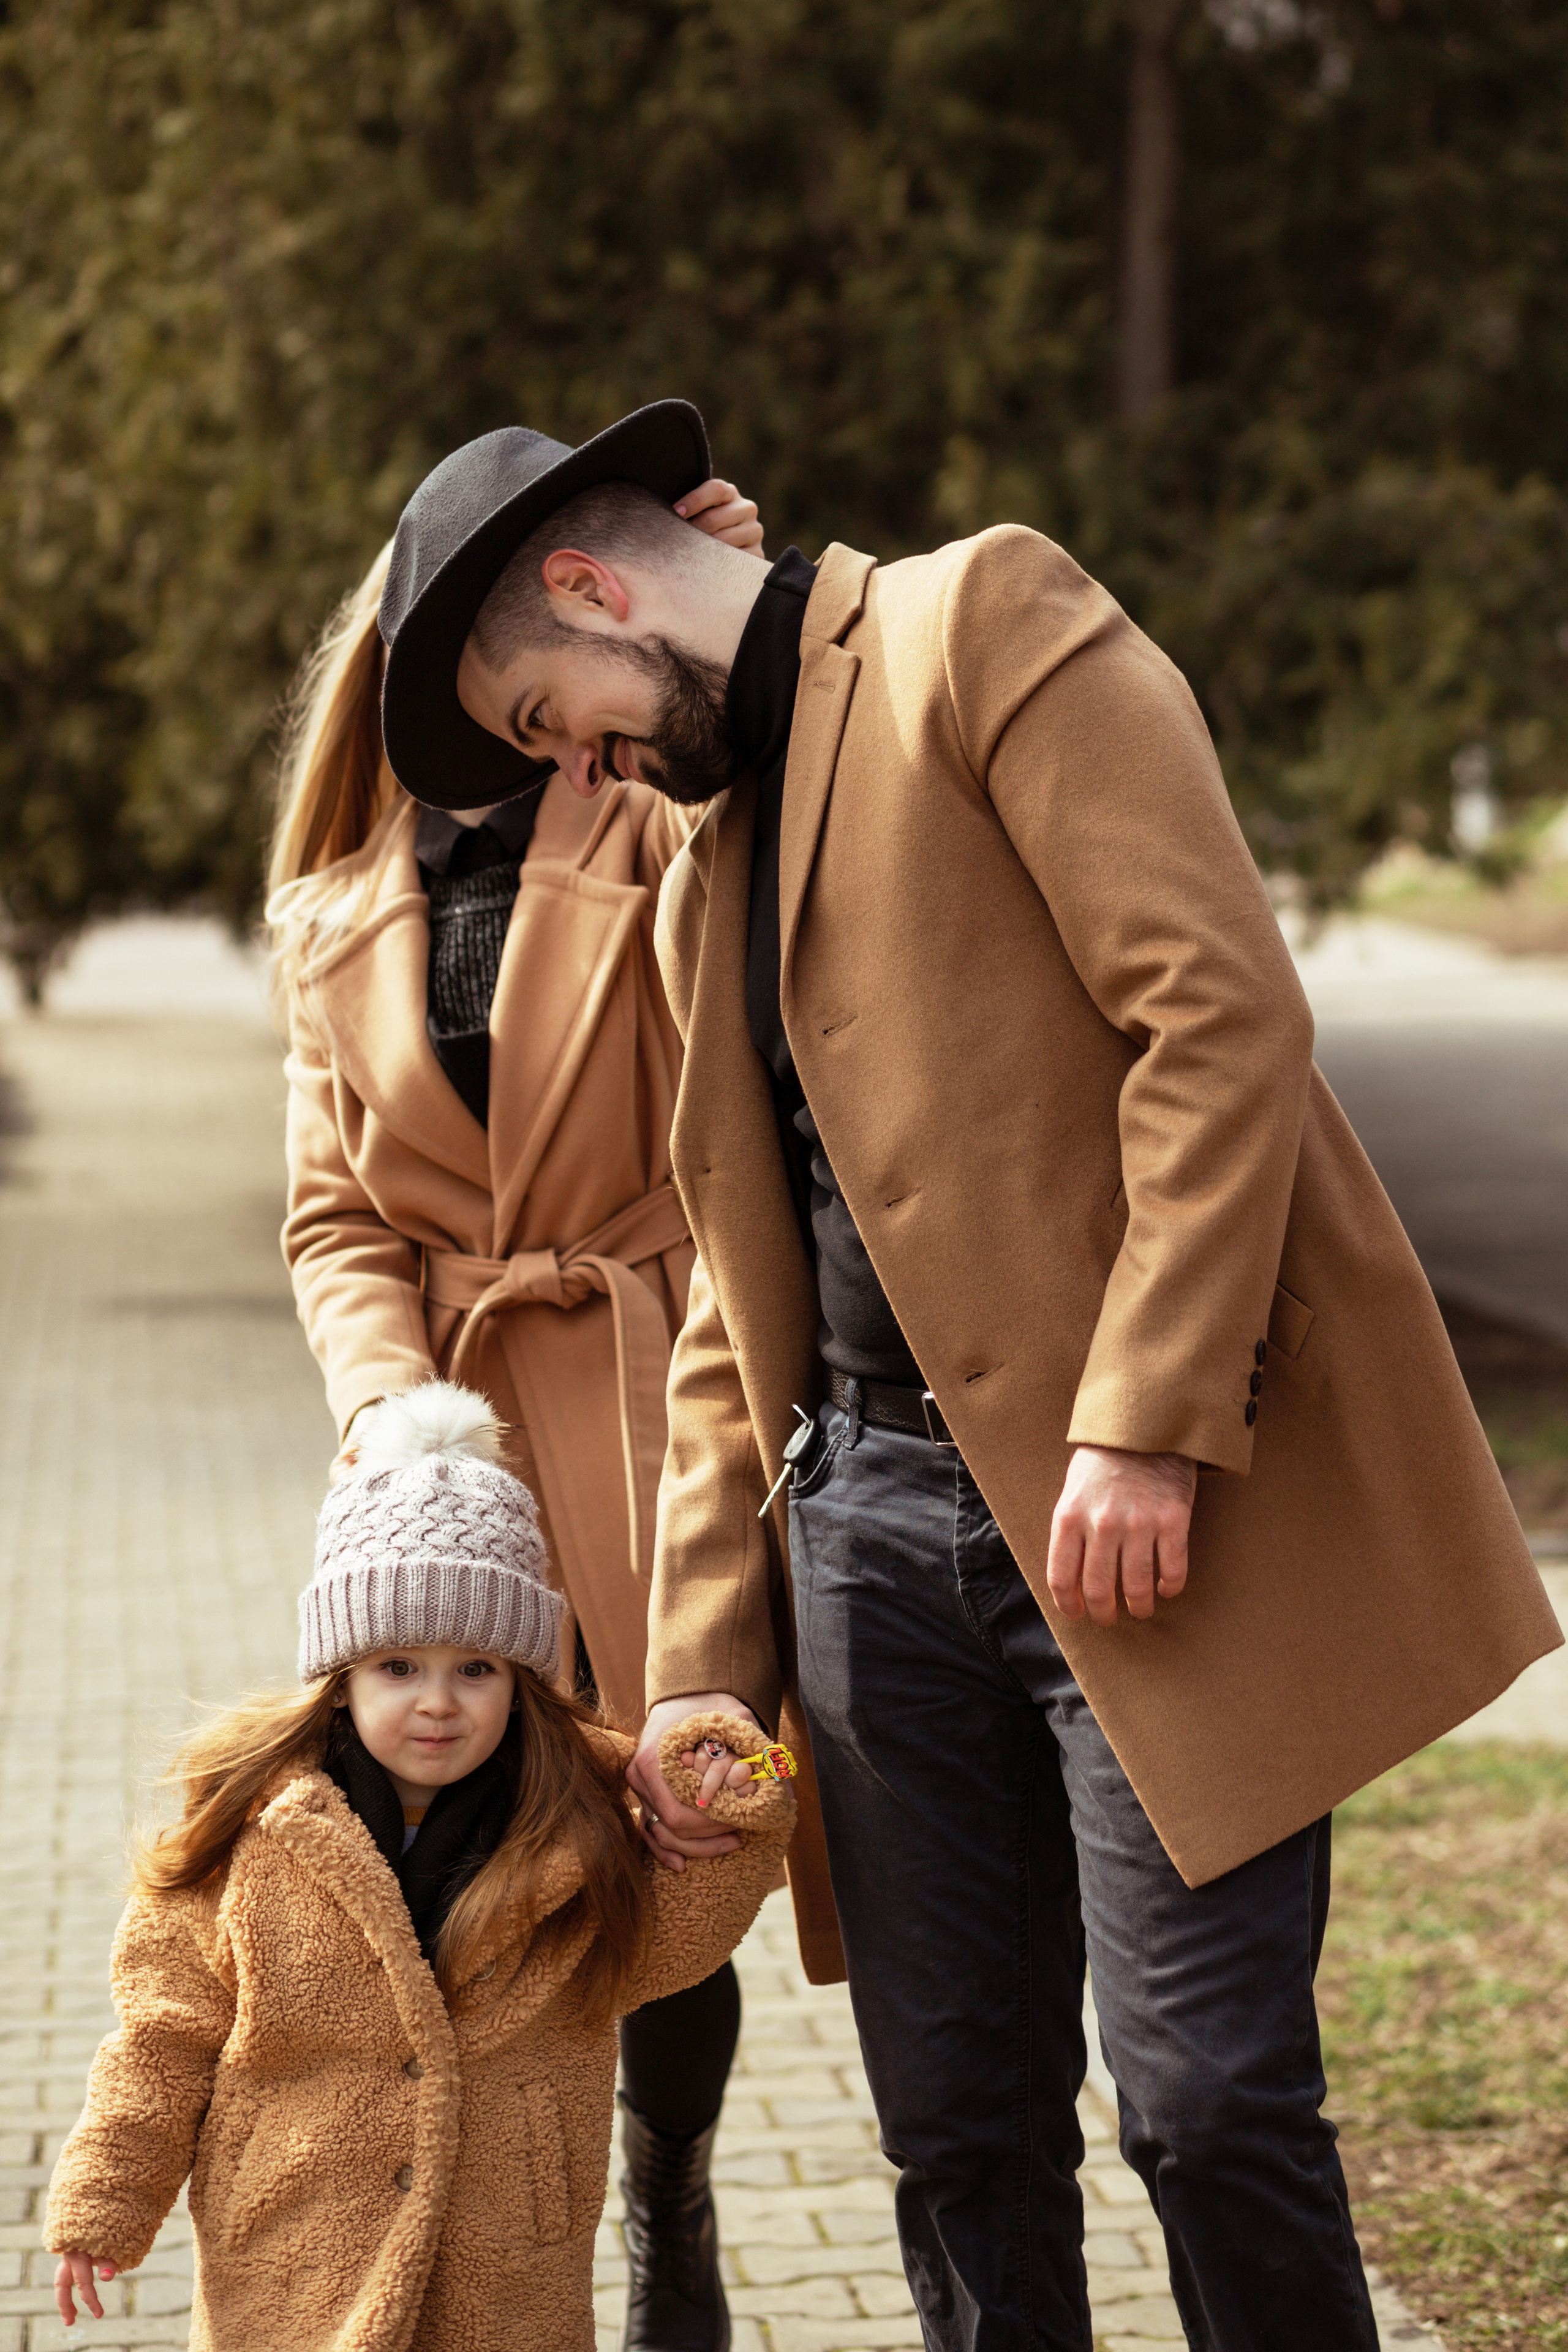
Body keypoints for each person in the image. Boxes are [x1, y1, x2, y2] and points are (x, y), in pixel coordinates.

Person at [369, 398, 1564, 2352]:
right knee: (955, 2134)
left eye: (550, 720)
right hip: (864, 1550)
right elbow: (728, 1318)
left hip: (1131, 1528)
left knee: (1207, 2107)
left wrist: (1147, 1415)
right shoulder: (697, 873)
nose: (578, 770)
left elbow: (1219, 1012)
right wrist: (694, 1676)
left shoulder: (979, 624)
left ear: (592, 589)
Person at [266, 454, 767, 2351]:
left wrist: (716, 588)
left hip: (652, 1396)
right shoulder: (327, 912)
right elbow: (335, 1217)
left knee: (665, 1835)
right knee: (465, 1851)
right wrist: (393, 1410)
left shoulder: (641, 806)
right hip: (440, 1465)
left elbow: (754, 756)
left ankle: (680, 2201)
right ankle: (491, 2243)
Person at [45, 1382, 793, 2351]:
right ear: (341, 1675)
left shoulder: (576, 1824)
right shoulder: (251, 1827)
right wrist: (106, 2200)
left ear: (520, 1677)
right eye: (398, 1668)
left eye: (474, 1669)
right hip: (292, 2246)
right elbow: (162, 2033)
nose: (438, 1703)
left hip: (507, 2265)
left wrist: (732, 1799)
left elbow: (675, 1944)